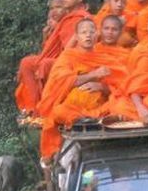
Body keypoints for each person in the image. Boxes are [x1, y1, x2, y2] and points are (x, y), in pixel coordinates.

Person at [38, 19, 128, 167]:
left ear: (97, 35)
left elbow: (123, 85)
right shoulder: (68, 56)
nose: (88, 35)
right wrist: (93, 74)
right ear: (77, 37)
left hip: (99, 108)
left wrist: (102, 86)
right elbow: (61, 81)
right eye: (84, 32)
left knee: (121, 105)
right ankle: (89, 120)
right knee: (58, 111)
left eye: (92, 32)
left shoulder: (106, 59)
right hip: (73, 109)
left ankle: (94, 118)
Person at [15, 0, 90, 116]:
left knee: (42, 64)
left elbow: (71, 48)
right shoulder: (67, 18)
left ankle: (41, 108)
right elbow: (52, 48)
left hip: (73, 61)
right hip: (61, 59)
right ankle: (33, 106)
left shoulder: (81, 18)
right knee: (27, 62)